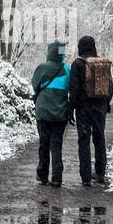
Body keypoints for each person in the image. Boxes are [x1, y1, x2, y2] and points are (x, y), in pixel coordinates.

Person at [68, 35, 112, 187]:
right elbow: (109, 87)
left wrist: (70, 109)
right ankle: (100, 173)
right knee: (100, 139)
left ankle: (86, 177)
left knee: (84, 141)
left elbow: (73, 89)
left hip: (83, 109)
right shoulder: (102, 63)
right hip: (100, 107)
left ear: (81, 47)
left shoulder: (77, 64)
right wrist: (107, 103)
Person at [31, 40, 70, 187]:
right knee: (57, 145)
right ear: (62, 53)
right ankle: (57, 177)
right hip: (60, 114)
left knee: (44, 143)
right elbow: (70, 88)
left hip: (43, 113)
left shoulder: (42, 68)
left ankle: (42, 175)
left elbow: (34, 86)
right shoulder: (67, 69)